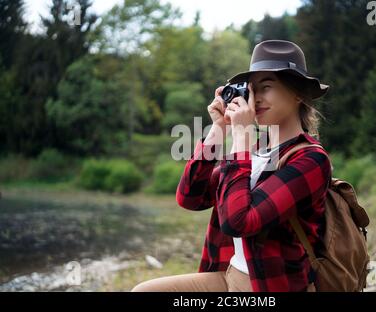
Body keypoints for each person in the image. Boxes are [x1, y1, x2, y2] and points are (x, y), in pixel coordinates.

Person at [132, 40, 332, 292]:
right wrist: (220, 128)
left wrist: (241, 137)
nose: (254, 98)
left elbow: (238, 222)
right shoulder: (256, 149)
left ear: (298, 94)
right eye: (250, 90)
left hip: (273, 287)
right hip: (230, 276)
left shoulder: (310, 159)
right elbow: (190, 197)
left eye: (266, 87)